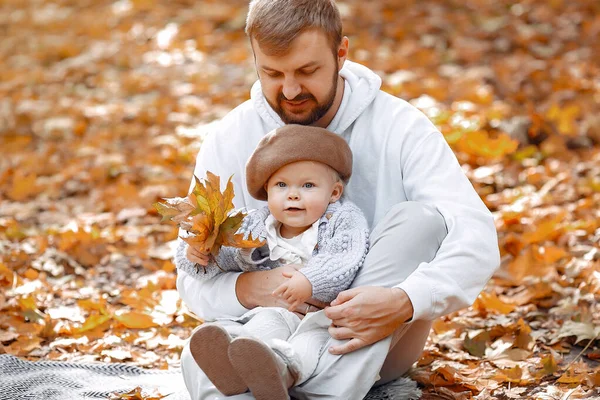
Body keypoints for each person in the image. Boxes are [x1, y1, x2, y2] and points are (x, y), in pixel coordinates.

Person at [175, 0, 501, 398]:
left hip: (367, 336)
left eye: (307, 71)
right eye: (272, 73)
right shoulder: (231, 137)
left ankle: (310, 386)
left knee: (421, 220)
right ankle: (275, 377)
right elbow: (192, 278)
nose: (291, 90)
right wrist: (250, 288)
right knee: (201, 353)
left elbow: (476, 238)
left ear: (341, 53)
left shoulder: (400, 127)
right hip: (264, 326)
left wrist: (404, 300)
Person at [175, 125, 370, 399]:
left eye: (308, 185)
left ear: (334, 192)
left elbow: (345, 257)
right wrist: (200, 254)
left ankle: (281, 371)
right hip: (275, 310)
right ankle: (241, 367)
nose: (293, 194)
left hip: (319, 317)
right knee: (261, 327)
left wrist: (310, 280)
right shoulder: (256, 224)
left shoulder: (343, 220)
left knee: (310, 344)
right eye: (282, 185)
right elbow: (225, 254)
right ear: (267, 191)